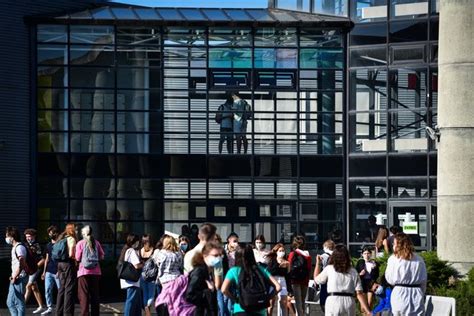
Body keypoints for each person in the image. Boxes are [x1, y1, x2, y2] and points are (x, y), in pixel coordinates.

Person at [222, 244, 281, 316]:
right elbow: (278, 287)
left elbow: (224, 289)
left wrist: (235, 299)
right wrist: (267, 297)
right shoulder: (260, 269)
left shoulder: (234, 271)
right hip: (259, 309)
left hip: (240, 308)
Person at [314, 244, 371, 316]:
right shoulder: (353, 271)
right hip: (349, 301)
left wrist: (318, 264)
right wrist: (368, 310)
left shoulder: (329, 269)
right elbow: (359, 293)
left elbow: (316, 280)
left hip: (333, 300)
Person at [385, 233, 427, 316]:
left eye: (394, 243)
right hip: (416, 292)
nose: (393, 245)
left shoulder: (394, 259)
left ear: (398, 245)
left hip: (399, 292)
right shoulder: (419, 259)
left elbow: (389, 278)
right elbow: (424, 279)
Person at [185, 241, 224, 316]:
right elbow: (189, 295)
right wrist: (208, 291)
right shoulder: (199, 271)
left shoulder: (209, 270)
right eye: (215, 255)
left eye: (220, 255)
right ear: (205, 255)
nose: (218, 258)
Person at [75, 225, 105, 316]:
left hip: (83, 272)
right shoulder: (96, 243)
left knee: (83, 295)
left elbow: (77, 257)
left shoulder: (80, 243)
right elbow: (102, 256)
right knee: (95, 295)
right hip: (96, 272)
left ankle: (85, 314)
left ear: (84, 233)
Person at [6, 226, 28, 316]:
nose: (6, 238)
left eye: (7, 235)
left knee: (18, 302)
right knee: (11, 302)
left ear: (12, 236)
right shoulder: (15, 247)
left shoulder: (19, 247)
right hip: (15, 277)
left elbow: (21, 263)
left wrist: (15, 276)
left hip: (19, 277)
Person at [56, 222, 78, 316]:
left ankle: (58, 312)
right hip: (68, 264)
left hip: (60, 264)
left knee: (61, 289)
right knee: (69, 289)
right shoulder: (72, 239)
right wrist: (77, 259)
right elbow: (71, 254)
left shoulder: (61, 238)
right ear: (72, 230)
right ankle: (68, 313)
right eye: (75, 229)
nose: (77, 231)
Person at [120, 234, 144, 316]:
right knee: (131, 301)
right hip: (132, 282)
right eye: (138, 241)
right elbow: (137, 265)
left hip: (129, 281)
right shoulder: (132, 251)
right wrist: (143, 264)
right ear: (135, 241)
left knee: (136, 303)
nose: (138, 243)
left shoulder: (126, 249)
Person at [288, 235, 312, 316]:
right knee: (302, 301)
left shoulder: (292, 254)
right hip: (304, 280)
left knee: (298, 302)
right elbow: (309, 268)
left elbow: (289, 267)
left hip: (295, 280)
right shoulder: (307, 255)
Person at [23, 228, 46, 314]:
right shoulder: (25, 245)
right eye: (27, 236)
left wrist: (35, 266)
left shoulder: (37, 246)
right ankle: (40, 306)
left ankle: (22, 304)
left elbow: (43, 258)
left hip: (35, 269)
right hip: (28, 269)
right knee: (33, 287)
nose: (28, 238)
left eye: (30, 236)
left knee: (28, 286)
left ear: (34, 236)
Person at [267, 243, 291, 316]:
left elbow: (288, 274)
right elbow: (271, 271)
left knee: (283, 302)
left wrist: (288, 265)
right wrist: (279, 265)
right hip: (273, 281)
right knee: (271, 304)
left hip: (282, 280)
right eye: (280, 250)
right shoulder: (272, 260)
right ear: (276, 251)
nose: (282, 252)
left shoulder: (286, 261)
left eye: (283, 250)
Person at [41, 225, 60, 315]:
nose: (50, 234)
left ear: (56, 233)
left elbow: (62, 259)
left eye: (52, 232)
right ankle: (49, 307)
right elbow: (47, 259)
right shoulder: (48, 245)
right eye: (49, 233)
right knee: (47, 290)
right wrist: (44, 272)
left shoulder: (60, 244)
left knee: (60, 290)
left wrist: (59, 271)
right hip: (49, 271)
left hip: (58, 271)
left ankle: (61, 307)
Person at [314, 239, 335, 313]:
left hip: (325, 283)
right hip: (335, 284)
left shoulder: (323, 256)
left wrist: (316, 282)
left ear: (325, 247)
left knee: (323, 303)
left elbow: (318, 270)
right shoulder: (337, 256)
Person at [140, 234, 155, 316]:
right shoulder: (153, 250)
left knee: (145, 293)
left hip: (142, 275)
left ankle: (146, 308)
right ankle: (148, 307)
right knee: (151, 294)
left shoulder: (140, 250)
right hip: (151, 275)